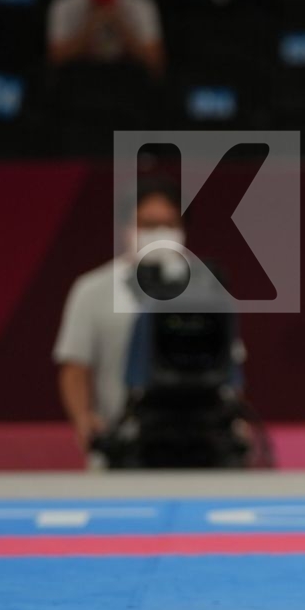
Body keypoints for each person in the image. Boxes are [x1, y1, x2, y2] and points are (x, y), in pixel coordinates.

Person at [54, 182, 184, 456]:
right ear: (127, 227)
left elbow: (226, 364)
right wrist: (84, 418)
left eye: (168, 223)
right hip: (122, 441)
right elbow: (75, 366)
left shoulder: (206, 289)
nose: (159, 233)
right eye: (147, 224)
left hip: (193, 443)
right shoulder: (93, 289)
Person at [46, 0, 165, 74]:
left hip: (127, 73)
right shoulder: (64, 3)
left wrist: (120, 23)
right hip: (82, 73)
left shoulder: (141, 2)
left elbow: (155, 61)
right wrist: (91, 24)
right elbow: (56, 59)